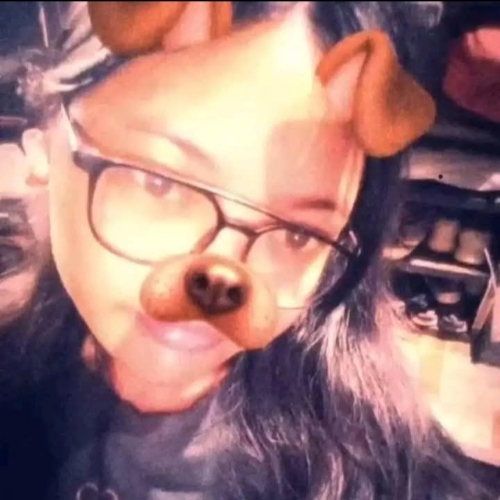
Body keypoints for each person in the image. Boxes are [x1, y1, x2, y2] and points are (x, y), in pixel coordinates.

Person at [1, 2, 499, 499]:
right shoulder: (17, 365)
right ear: (44, 149)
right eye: (159, 183)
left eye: (297, 233)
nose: (226, 273)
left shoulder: (371, 467)